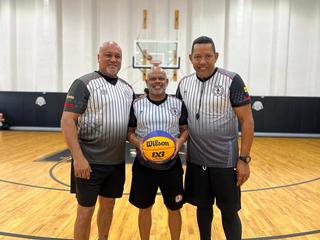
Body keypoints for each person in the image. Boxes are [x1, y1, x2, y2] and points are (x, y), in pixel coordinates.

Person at [176, 36, 254, 240]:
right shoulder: (183, 84)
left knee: (229, 212)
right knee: (202, 209)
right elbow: (178, 121)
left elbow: (247, 121)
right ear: (190, 58)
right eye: (197, 57)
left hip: (225, 163)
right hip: (196, 161)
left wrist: (244, 160)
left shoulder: (232, 80)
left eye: (208, 56)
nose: (202, 61)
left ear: (216, 56)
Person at [61, 41, 134, 240]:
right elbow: (67, 121)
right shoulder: (83, 83)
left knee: (108, 206)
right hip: (89, 163)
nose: (113, 59)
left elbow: (129, 128)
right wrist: (78, 158)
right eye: (108, 55)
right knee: (85, 212)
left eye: (117, 56)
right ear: (98, 57)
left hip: (116, 163)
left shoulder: (127, 89)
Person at [128, 66, 188, 240]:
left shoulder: (178, 103)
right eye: (153, 79)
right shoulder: (137, 104)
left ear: (167, 82)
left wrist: (179, 141)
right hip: (144, 166)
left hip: (171, 167)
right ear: (147, 82)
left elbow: (185, 130)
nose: (157, 82)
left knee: (174, 208)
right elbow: (129, 132)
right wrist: (139, 143)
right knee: (144, 208)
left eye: (161, 79)